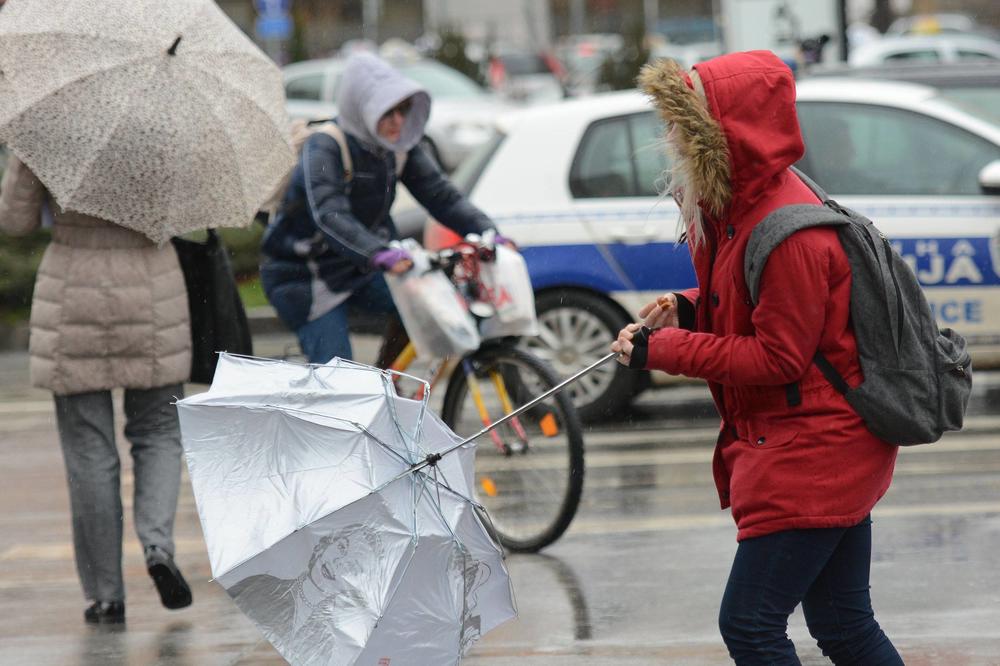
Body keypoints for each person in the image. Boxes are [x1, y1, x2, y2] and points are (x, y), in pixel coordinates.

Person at [612, 52, 903, 664]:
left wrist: (660, 350)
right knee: (845, 626)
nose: (669, 139)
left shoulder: (788, 231)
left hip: (814, 449)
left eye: (683, 125)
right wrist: (688, 308)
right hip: (816, 442)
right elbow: (757, 307)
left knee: (750, 624)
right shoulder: (744, 206)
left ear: (727, 133)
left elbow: (778, 358)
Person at [0, 155, 193, 624]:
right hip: (153, 293)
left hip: (73, 295)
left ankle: (106, 596)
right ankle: (157, 545)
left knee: (89, 452)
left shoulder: (50, 129)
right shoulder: (167, 128)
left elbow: (14, 220)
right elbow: (190, 212)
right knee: (160, 434)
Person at [261, 52, 506, 366]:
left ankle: (387, 386)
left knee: (430, 312)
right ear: (361, 108)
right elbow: (329, 213)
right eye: (387, 111)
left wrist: (487, 231)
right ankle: (348, 405)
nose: (398, 121)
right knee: (340, 381)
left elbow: (442, 197)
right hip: (306, 277)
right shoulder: (325, 146)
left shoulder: (399, 148)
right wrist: (378, 252)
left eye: (403, 110)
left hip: (361, 269)